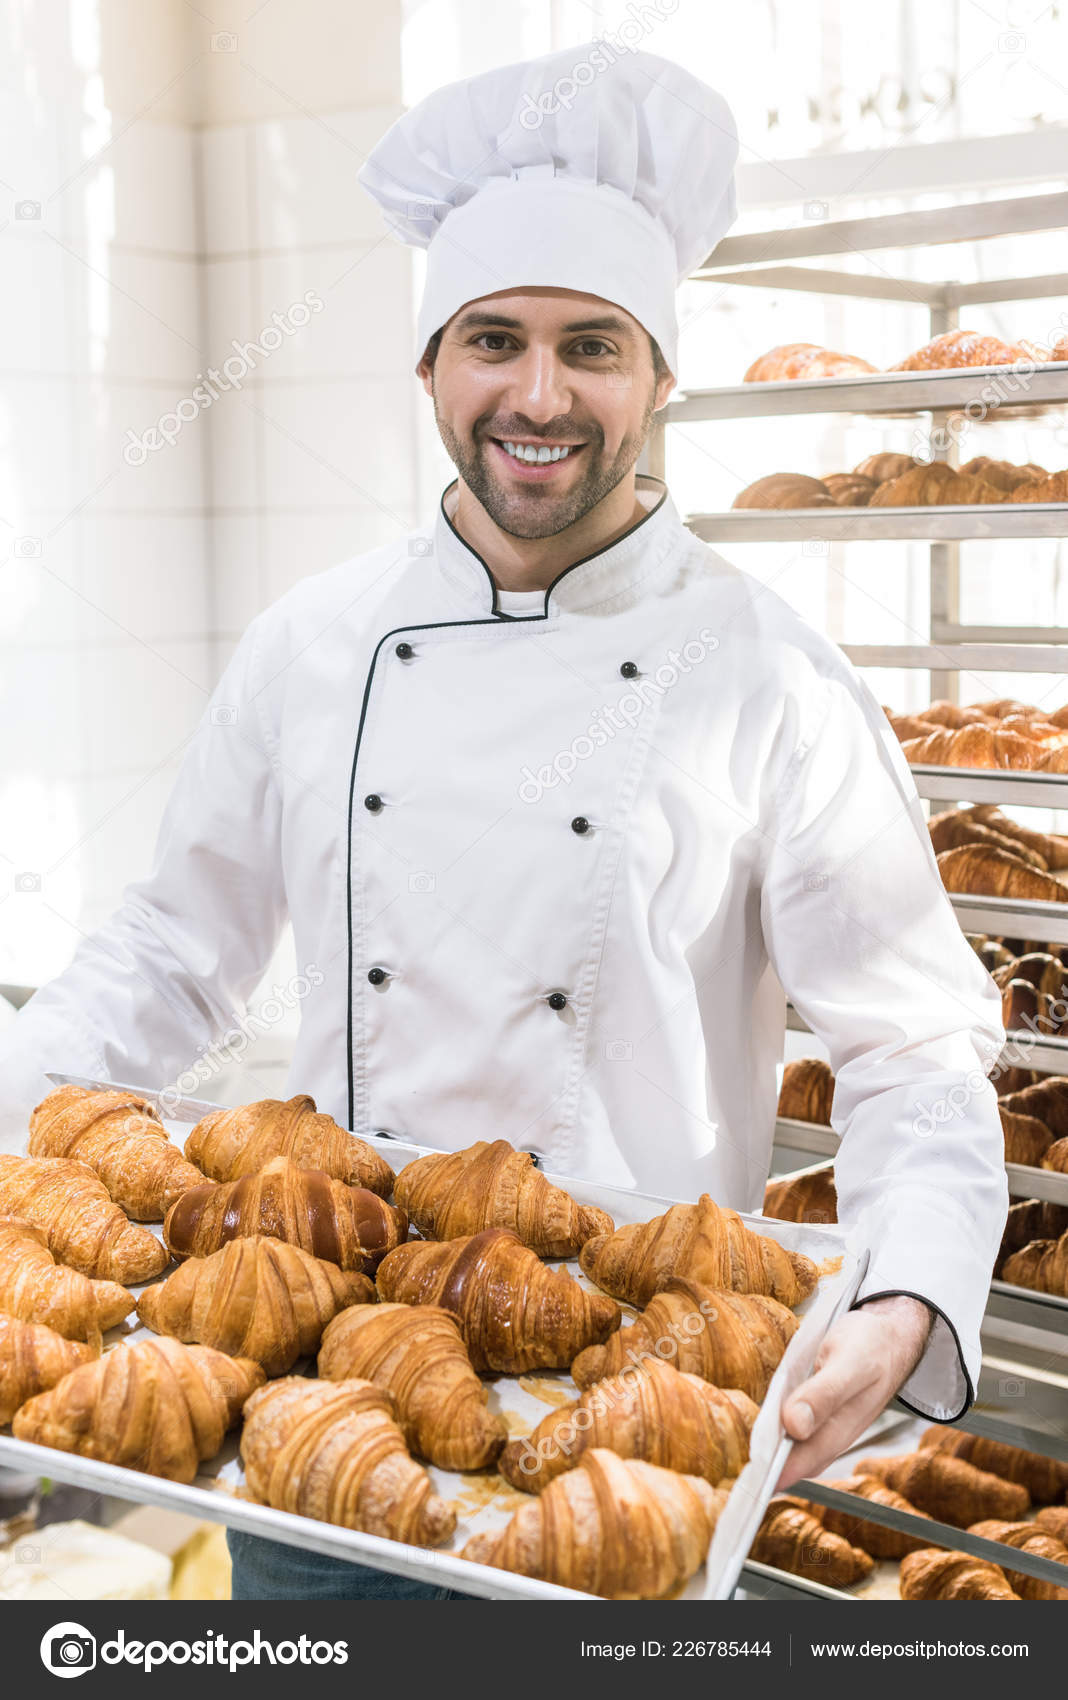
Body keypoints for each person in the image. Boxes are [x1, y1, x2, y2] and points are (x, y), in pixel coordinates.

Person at [0, 46, 1007, 1601]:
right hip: (324, 1405)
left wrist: (911, 1300)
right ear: (428, 367)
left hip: (625, 1423)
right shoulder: (312, 643)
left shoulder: (771, 677)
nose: (539, 397)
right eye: (495, 341)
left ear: (661, 377)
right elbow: (171, 947)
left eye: (591, 346)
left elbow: (914, 1049)